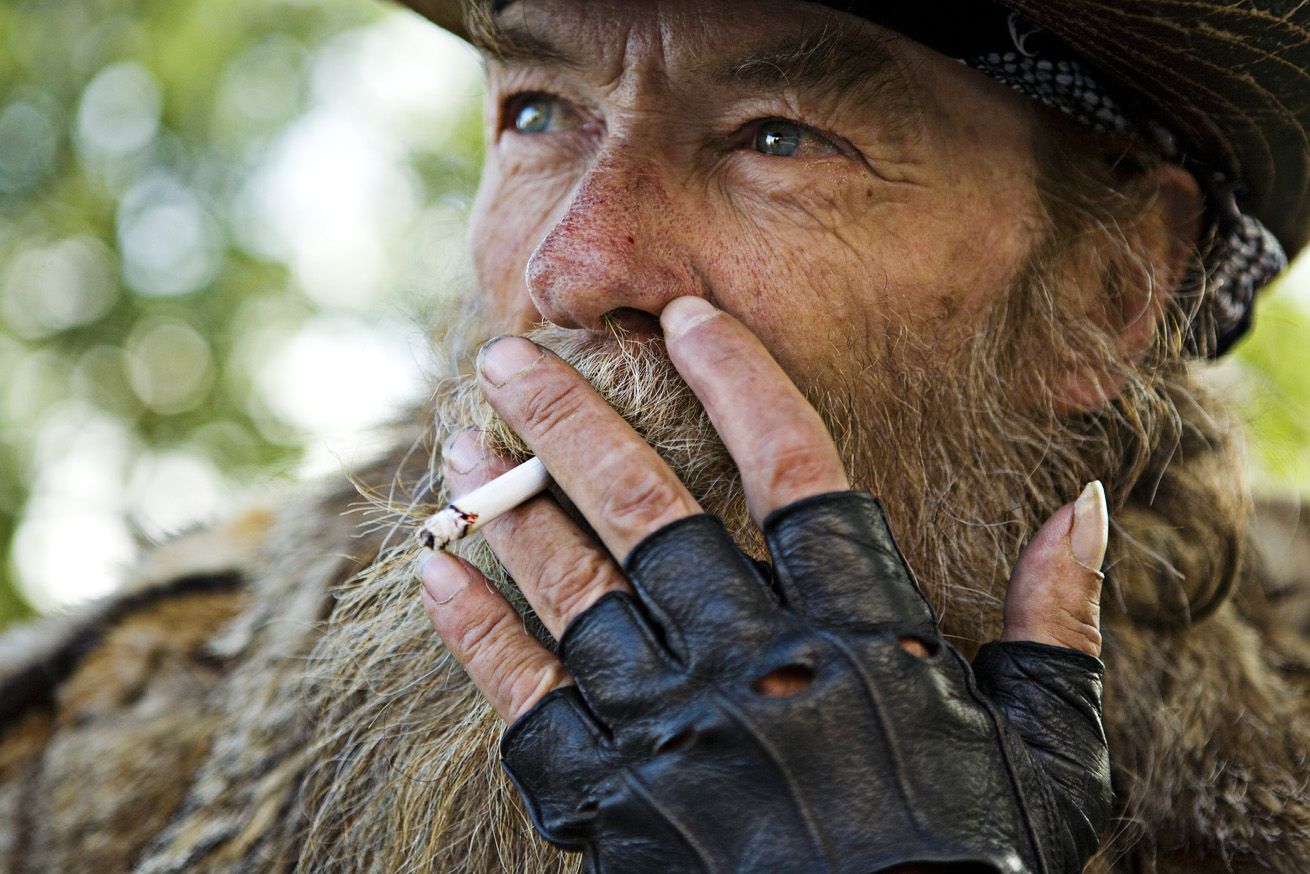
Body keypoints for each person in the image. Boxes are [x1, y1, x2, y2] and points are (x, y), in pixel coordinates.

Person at [0, 0, 1306, 871]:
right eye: (536, 110)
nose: (572, 268)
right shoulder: (84, 753)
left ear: (1110, 287)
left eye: (779, 137)